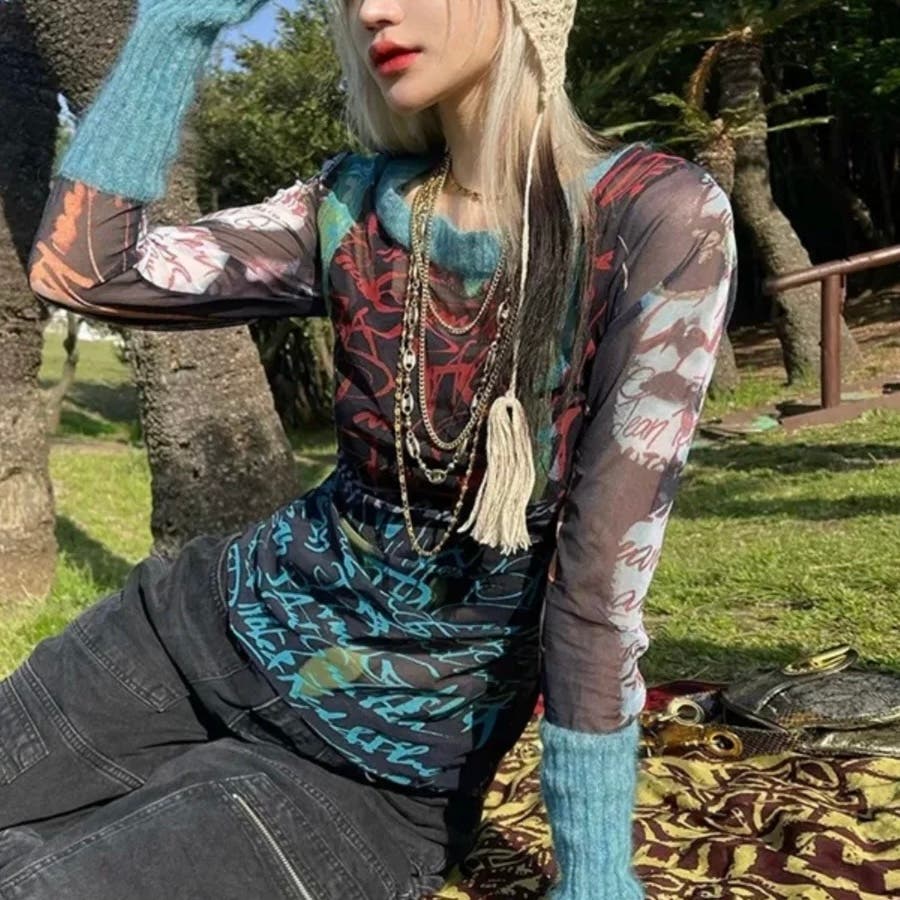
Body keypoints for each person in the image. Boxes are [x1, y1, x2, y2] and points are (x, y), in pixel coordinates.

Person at [11, 1, 737, 898]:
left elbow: (597, 584)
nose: (373, 10)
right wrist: (177, 27)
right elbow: (84, 271)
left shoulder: (653, 218)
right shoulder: (351, 202)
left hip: (372, 769)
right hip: (183, 635)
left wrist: (594, 879)